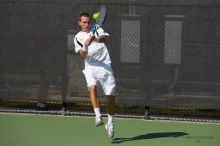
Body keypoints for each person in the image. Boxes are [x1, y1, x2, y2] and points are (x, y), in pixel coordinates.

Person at [74, 12, 116, 138]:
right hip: (90, 66)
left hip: (104, 65)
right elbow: (82, 54)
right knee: (92, 87)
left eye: (88, 22)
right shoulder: (77, 37)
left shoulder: (97, 28)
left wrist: (94, 38)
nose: (87, 24)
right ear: (79, 23)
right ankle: (98, 116)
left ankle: (110, 122)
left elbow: (104, 39)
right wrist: (86, 45)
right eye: (84, 22)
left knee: (111, 96)